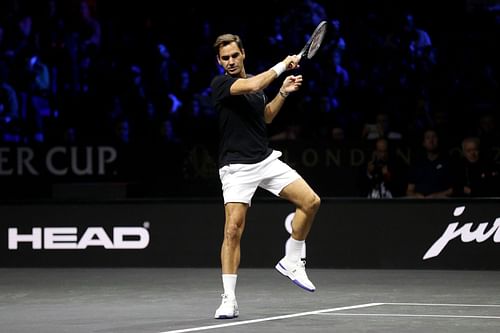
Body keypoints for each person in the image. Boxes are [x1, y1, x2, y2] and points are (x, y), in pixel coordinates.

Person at [210, 33, 321, 319]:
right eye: (225, 58)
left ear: (243, 53)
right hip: (236, 167)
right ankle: (229, 299)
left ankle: (292, 260)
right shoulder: (223, 84)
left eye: (235, 55)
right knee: (232, 230)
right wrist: (283, 65)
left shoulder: (257, 88)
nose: (231, 61)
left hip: (264, 160)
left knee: (310, 202)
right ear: (219, 61)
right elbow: (256, 82)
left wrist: (282, 92)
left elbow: (267, 117)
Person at [406, 128, 453, 198]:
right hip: (420, 203)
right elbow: (409, 190)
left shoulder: (447, 162)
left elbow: (452, 190)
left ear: (438, 140)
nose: (431, 140)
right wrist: (416, 196)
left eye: (434, 137)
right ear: (423, 142)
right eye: (428, 138)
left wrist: (435, 196)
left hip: (441, 202)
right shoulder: (417, 163)